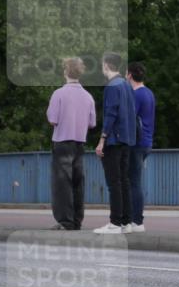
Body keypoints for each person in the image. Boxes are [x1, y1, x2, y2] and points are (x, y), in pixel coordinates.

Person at [46, 57, 96, 230]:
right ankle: (77, 220)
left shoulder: (58, 94)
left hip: (62, 142)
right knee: (77, 182)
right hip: (79, 143)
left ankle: (65, 221)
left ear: (65, 71)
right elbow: (91, 123)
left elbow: (52, 120)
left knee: (62, 183)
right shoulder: (88, 96)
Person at [93, 52, 137, 234]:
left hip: (114, 140)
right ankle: (127, 221)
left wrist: (102, 139)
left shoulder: (112, 87)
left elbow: (111, 114)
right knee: (124, 181)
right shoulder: (126, 85)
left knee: (114, 183)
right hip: (127, 139)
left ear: (106, 65)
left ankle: (115, 222)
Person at [126, 62, 156, 233]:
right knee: (134, 181)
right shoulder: (149, 93)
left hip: (136, 143)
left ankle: (136, 221)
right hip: (146, 141)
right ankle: (135, 219)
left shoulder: (135, 95)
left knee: (133, 182)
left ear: (130, 75)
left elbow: (129, 118)